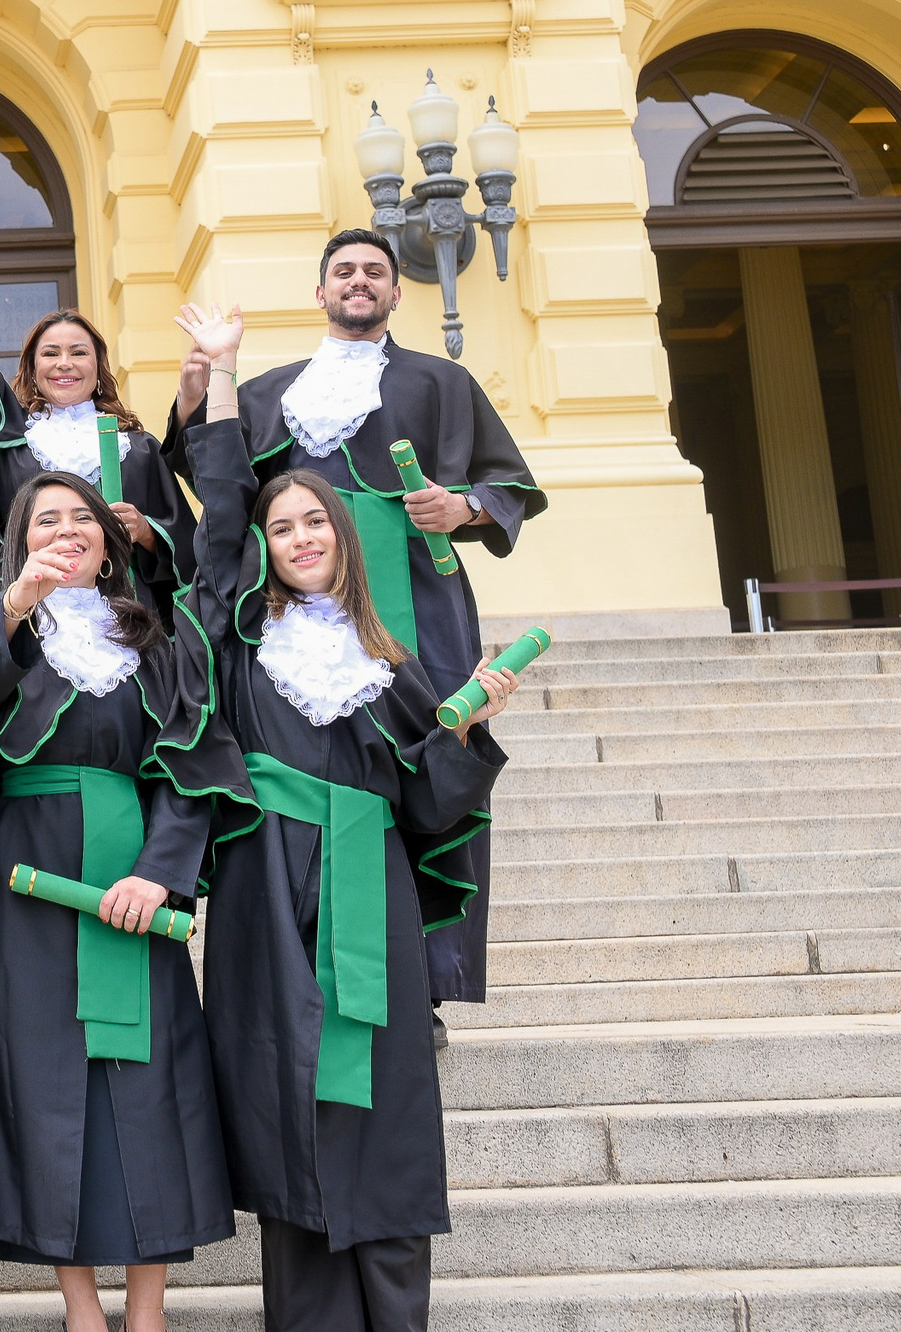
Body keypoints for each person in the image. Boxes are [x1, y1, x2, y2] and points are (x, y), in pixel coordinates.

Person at [170, 307, 515, 1332]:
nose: (300, 537)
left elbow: (428, 797)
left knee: (386, 1093)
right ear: (265, 550)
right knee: (286, 1087)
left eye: (315, 522)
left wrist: (465, 732)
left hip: (369, 883)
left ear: (342, 536)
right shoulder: (233, 640)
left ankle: (396, 1313)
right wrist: (223, 382)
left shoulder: (386, 662)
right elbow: (222, 507)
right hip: (265, 885)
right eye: (284, 529)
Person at [163, 233, 541, 1012]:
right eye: (344, 271)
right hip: (293, 606)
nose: (359, 281)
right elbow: (218, 474)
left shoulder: (443, 380)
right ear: (320, 292)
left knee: (424, 764)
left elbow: (507, 483)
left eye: (375, 272)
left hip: (413, 597)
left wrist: (463, 505)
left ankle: (422, 984)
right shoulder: (269, 389)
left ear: (398, 293)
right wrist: (202, 380)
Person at [0, 471, 253, 1332]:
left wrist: (162, 870)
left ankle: (147, 1309)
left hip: (132, 871)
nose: (67, 531)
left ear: (109, 541)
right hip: (20, 887)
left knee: (149, 1082)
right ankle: (79, 1308)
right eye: (46, 521)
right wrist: (18, 600)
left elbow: (192, 759)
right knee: (39, 1081)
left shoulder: (159, 640)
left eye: (83, 520)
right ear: (20, 540)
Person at [0, 173, 192, 600]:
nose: (65, 364)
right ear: (32, 370)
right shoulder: (10, 438)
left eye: (79, 352)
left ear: (99, 366)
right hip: (31, 611)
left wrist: (146, 532)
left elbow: (187, 549)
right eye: (50, 354)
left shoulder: (139, 449)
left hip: (122, 613)